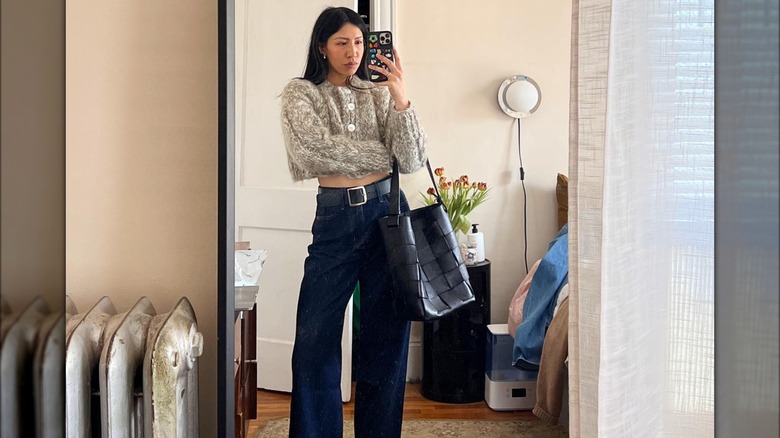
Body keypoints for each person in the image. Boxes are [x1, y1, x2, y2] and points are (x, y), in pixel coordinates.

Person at [279, 6, 428, 438]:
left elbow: (413, 158)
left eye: (359, 42)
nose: (354, 52)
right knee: (314, 341)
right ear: (322, 46)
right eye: (342, 43)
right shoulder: (300, 94)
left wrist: (401, 96)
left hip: (387, 215)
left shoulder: (380, 93)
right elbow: (311, 154)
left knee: (386, 339)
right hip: (336, 219)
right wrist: (383, 155)